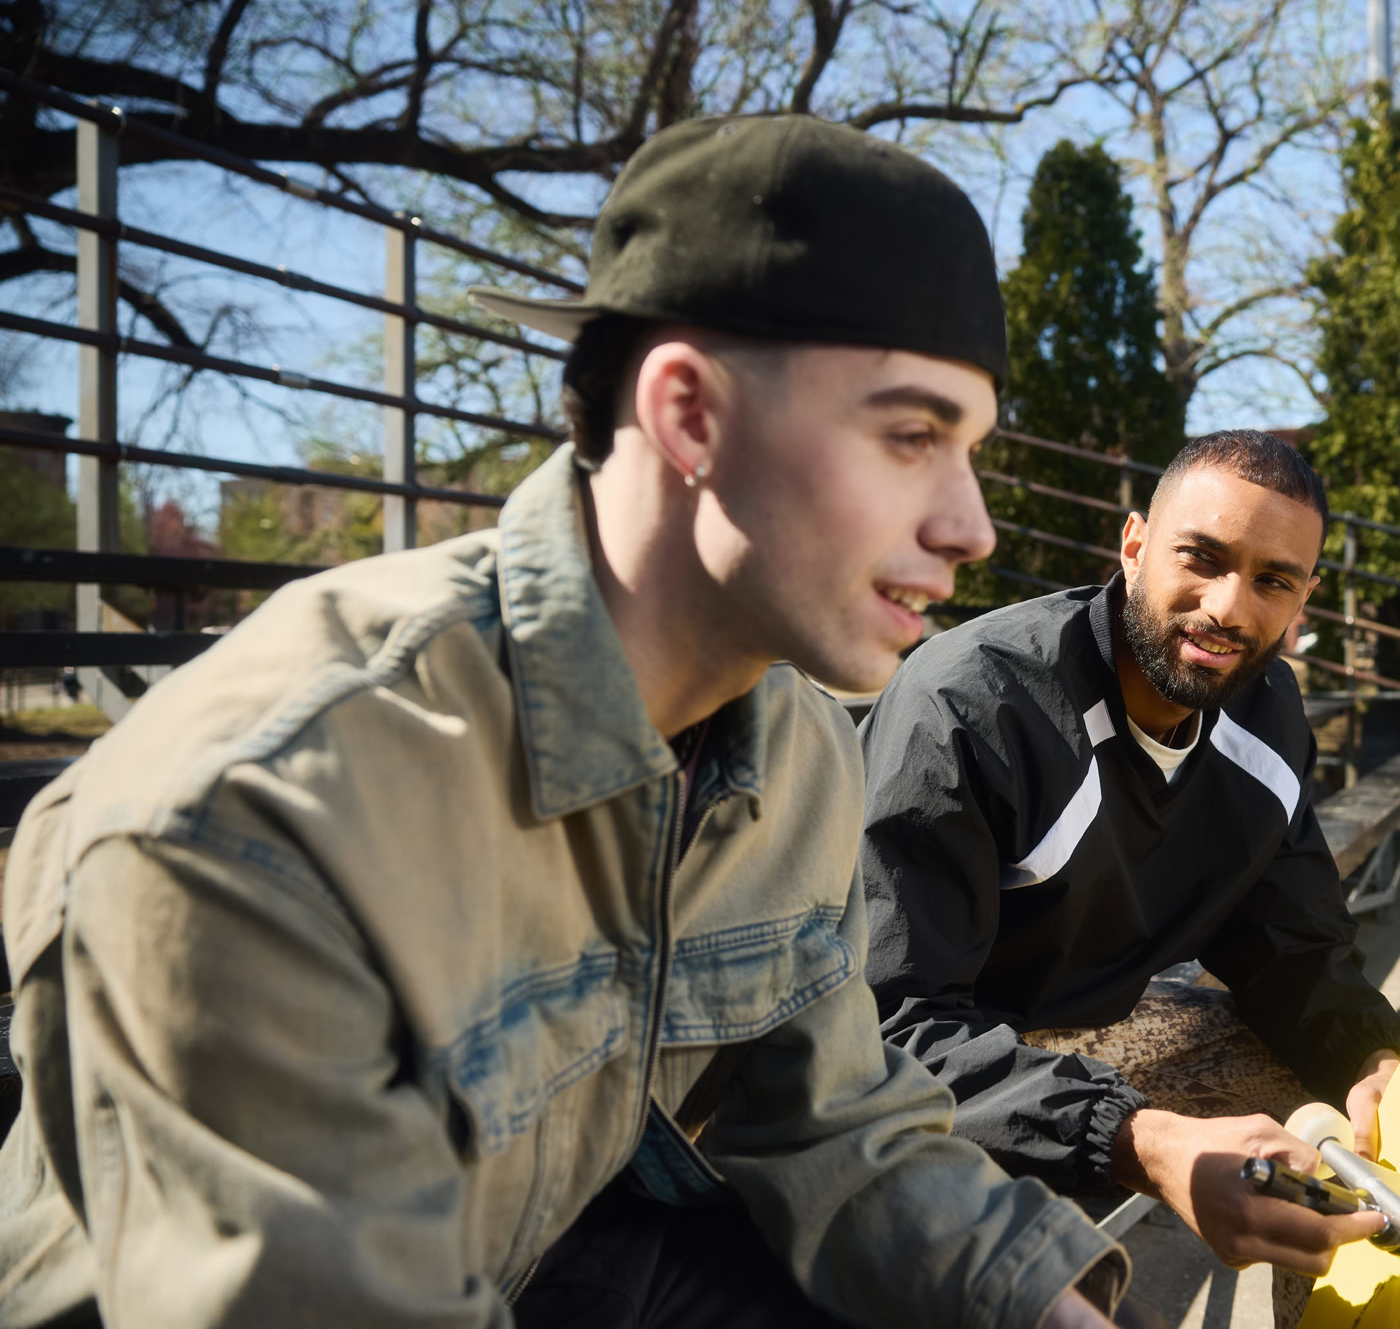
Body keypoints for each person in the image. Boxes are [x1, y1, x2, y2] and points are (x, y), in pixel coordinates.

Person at [1, 116, 1127, 1329]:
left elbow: (829, 1113)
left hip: (548, 1255)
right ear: (688, 413)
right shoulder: (264, 808)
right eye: (912, 435)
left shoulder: (792, 748)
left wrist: (1050, 1310)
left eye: (970, 449)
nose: (973, 527)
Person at [857, 432, 1400, 1303]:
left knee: (1352, 1142)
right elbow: (886, 1030)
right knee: (1051, 1284)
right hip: (921, 1058)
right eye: (1203, 557)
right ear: (1134, 544)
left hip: (1103, 1022)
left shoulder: (1267, 716)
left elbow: (1295, 948)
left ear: (1306, 596)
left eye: (1272, 580)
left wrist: (1372, 1057)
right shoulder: (971, 708)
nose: (1227, 608)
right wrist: (1142, 1139)